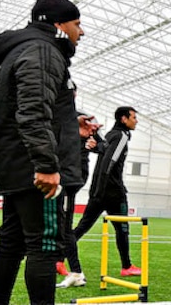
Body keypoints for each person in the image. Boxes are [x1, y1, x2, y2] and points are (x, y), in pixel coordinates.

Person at [0, 0, 85, 305]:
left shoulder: (27, 49)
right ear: (59, 25)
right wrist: (46, 165)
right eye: (77, 24)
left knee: (12, 244)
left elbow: (37, 105)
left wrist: (72, 125)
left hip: (18, 166)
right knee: (44, 248)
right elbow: (31, 111)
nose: (81, 32)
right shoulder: (43, 51)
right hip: (36, 172)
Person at [72, 107, 142, 278]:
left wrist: (97, 190)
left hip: (98, 191)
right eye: (133, 117)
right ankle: (126, 266)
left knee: (82, 226)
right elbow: (110, 162)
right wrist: (104, 189)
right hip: (113, 193)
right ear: (124, 119)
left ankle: (57, 259)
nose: (136, 121)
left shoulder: (110, 135)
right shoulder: (121, 136)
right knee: (123, 229)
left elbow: (102, 150)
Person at [56, 107, 104, 289]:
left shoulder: (82, 118)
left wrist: (92, 145)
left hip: (72, 177)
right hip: (60, 174)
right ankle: (60, 262)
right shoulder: (59, 115)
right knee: (59, 223)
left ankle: (75, 272)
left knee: (66, 227)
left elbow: (104, 146)